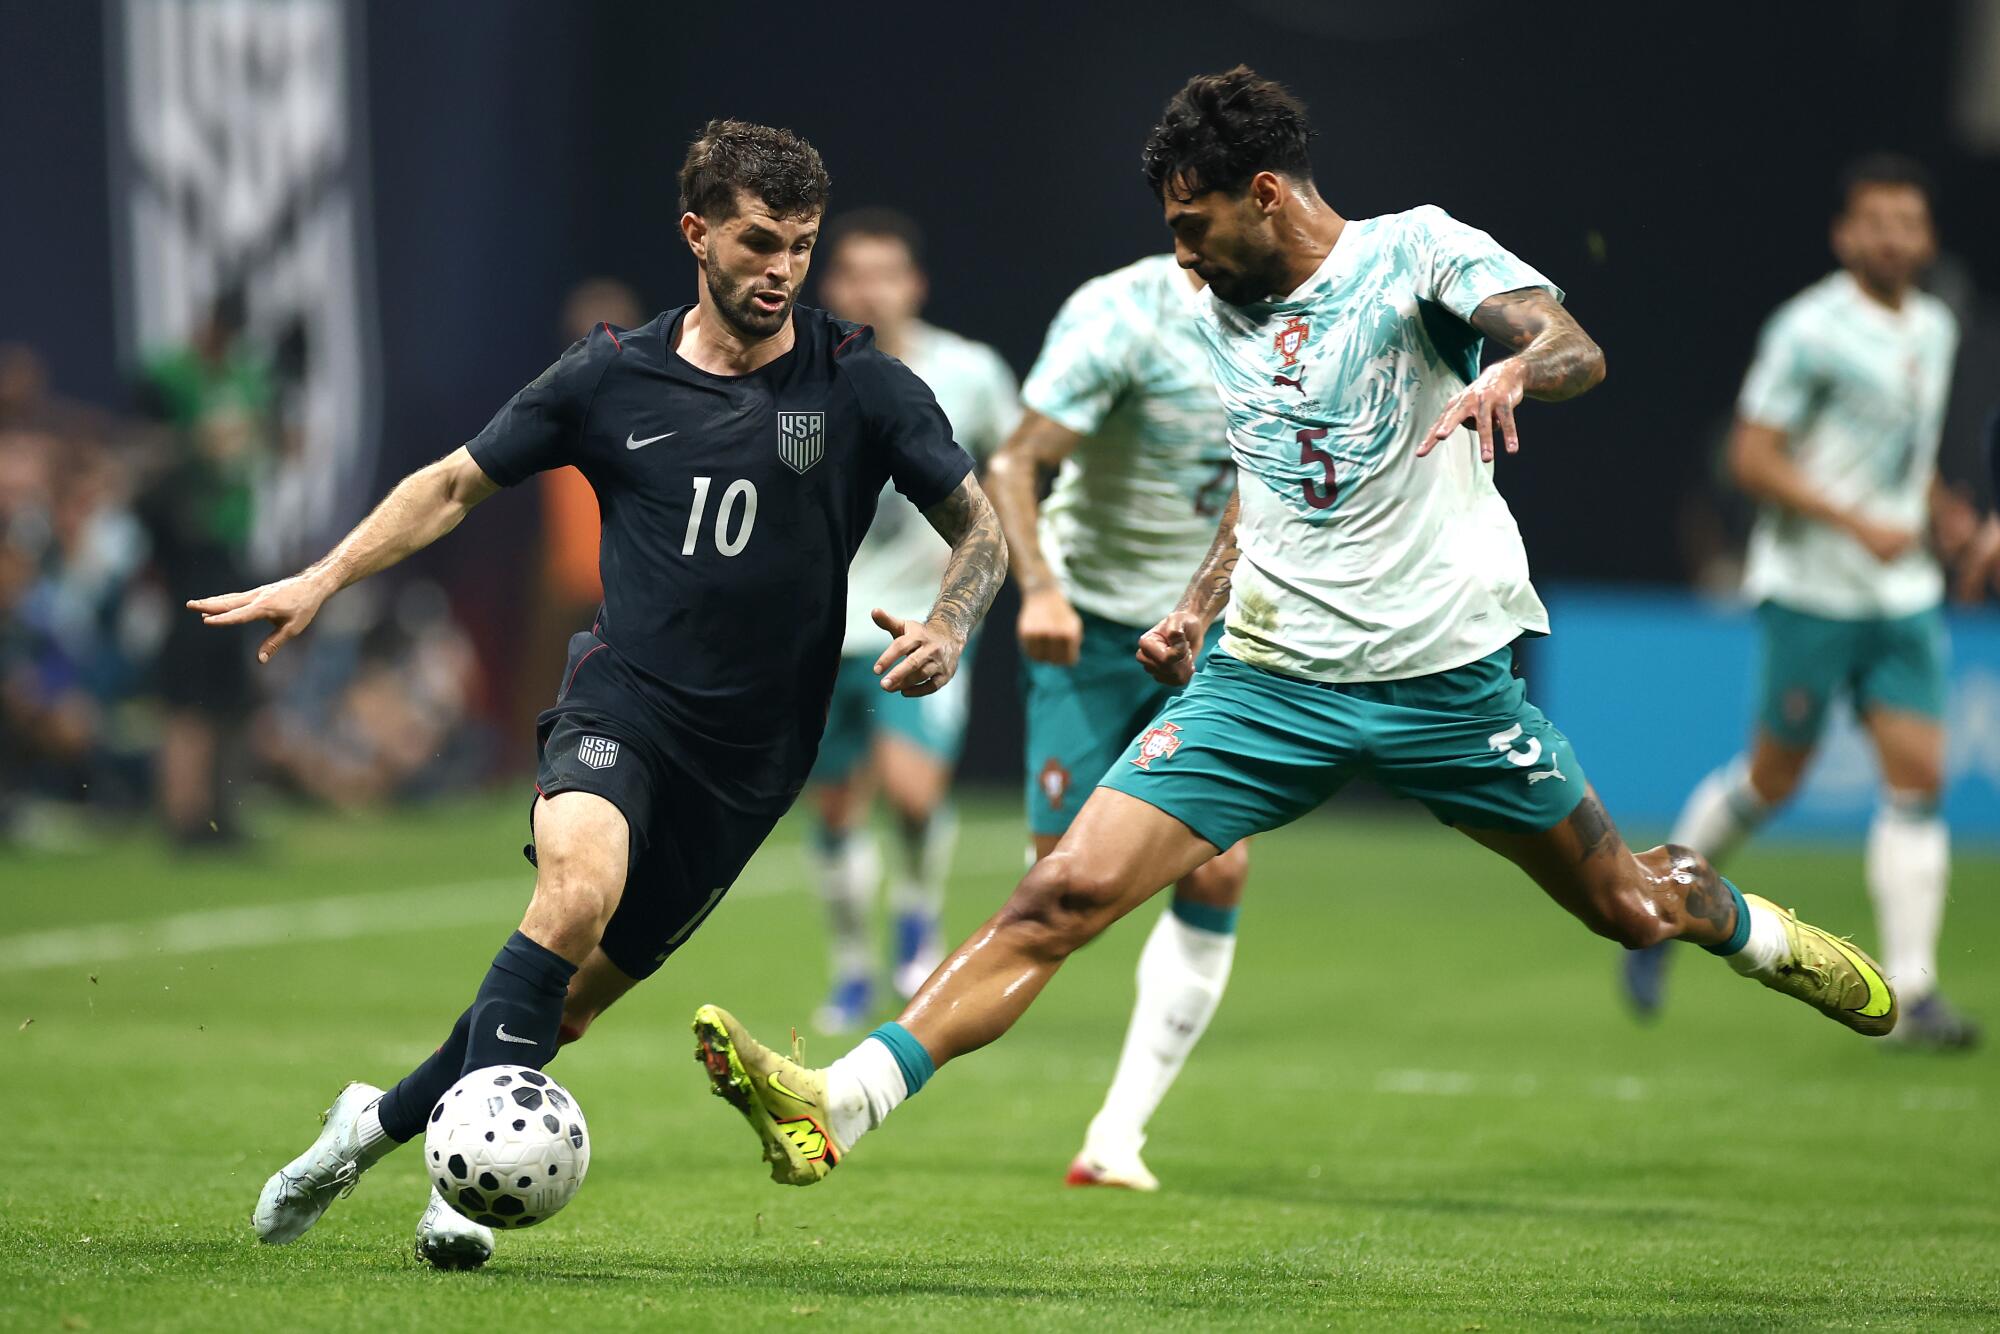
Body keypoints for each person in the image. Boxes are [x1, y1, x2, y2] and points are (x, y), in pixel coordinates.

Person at [690, 68, 1899, 1191]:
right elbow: (1275, 480)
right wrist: (1200, 605)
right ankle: (837, 1102)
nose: (1180, 256)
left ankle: (1754, 931)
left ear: (1262, 193)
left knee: (1627, 907)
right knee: (1058, 892)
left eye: (1190, 224)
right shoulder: (1218, 315)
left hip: (1445, 685)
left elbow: (1569, 341)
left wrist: (1516, 373)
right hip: (1265, 682)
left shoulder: (1411, 253)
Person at [189, 119, 1006, 1266]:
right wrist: (323, 576)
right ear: (697, 233)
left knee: (559, 1008)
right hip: (624, 701)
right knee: (572, 895)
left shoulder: (859, 381)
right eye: (758, 241)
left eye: (800, 246)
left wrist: (952, 622)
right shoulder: (611, 374)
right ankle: (460, 1194)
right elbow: (452, 484)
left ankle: (365, 1128)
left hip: (753, 759)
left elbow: (980, 524)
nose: (780, 270)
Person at [1625, 156, 1978, 1049]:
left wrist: (1942, 513)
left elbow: (1907, 448)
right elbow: (1750, 458)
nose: (1894, 237)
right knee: (1774, 777)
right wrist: (1851, 518)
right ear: (1845, 235)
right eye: (1877, 222)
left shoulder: (1935, 326)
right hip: (1813, 593)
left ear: (1927, 237)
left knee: (1919, 781)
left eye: (1909, 222)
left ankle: (1915, 992)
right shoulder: (1809, 330)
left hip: (1901, 596)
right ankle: (1660, 899)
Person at [984, 251, 1243, 1190]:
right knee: (1063, 886)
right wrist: (1041, 592)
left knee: (1220, 866)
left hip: (1212, 629)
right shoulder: (1121, 318)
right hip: (1089, 625)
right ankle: (890, 1066)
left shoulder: (1306, 311)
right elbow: (1014, 461)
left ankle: (1117, 1135)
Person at [806, 209, 1019, 1028]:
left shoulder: (967, 372)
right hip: (824, 628)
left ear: (914, 284)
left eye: (886, 273)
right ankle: (854, 967)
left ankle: (919, 920)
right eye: (855, 273)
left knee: (912, 793)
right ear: (834, 285)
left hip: (923, 622)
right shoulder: (803, 370)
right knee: (832, 805)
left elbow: (1020, 462)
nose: (871, 289)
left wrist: (991, 550)